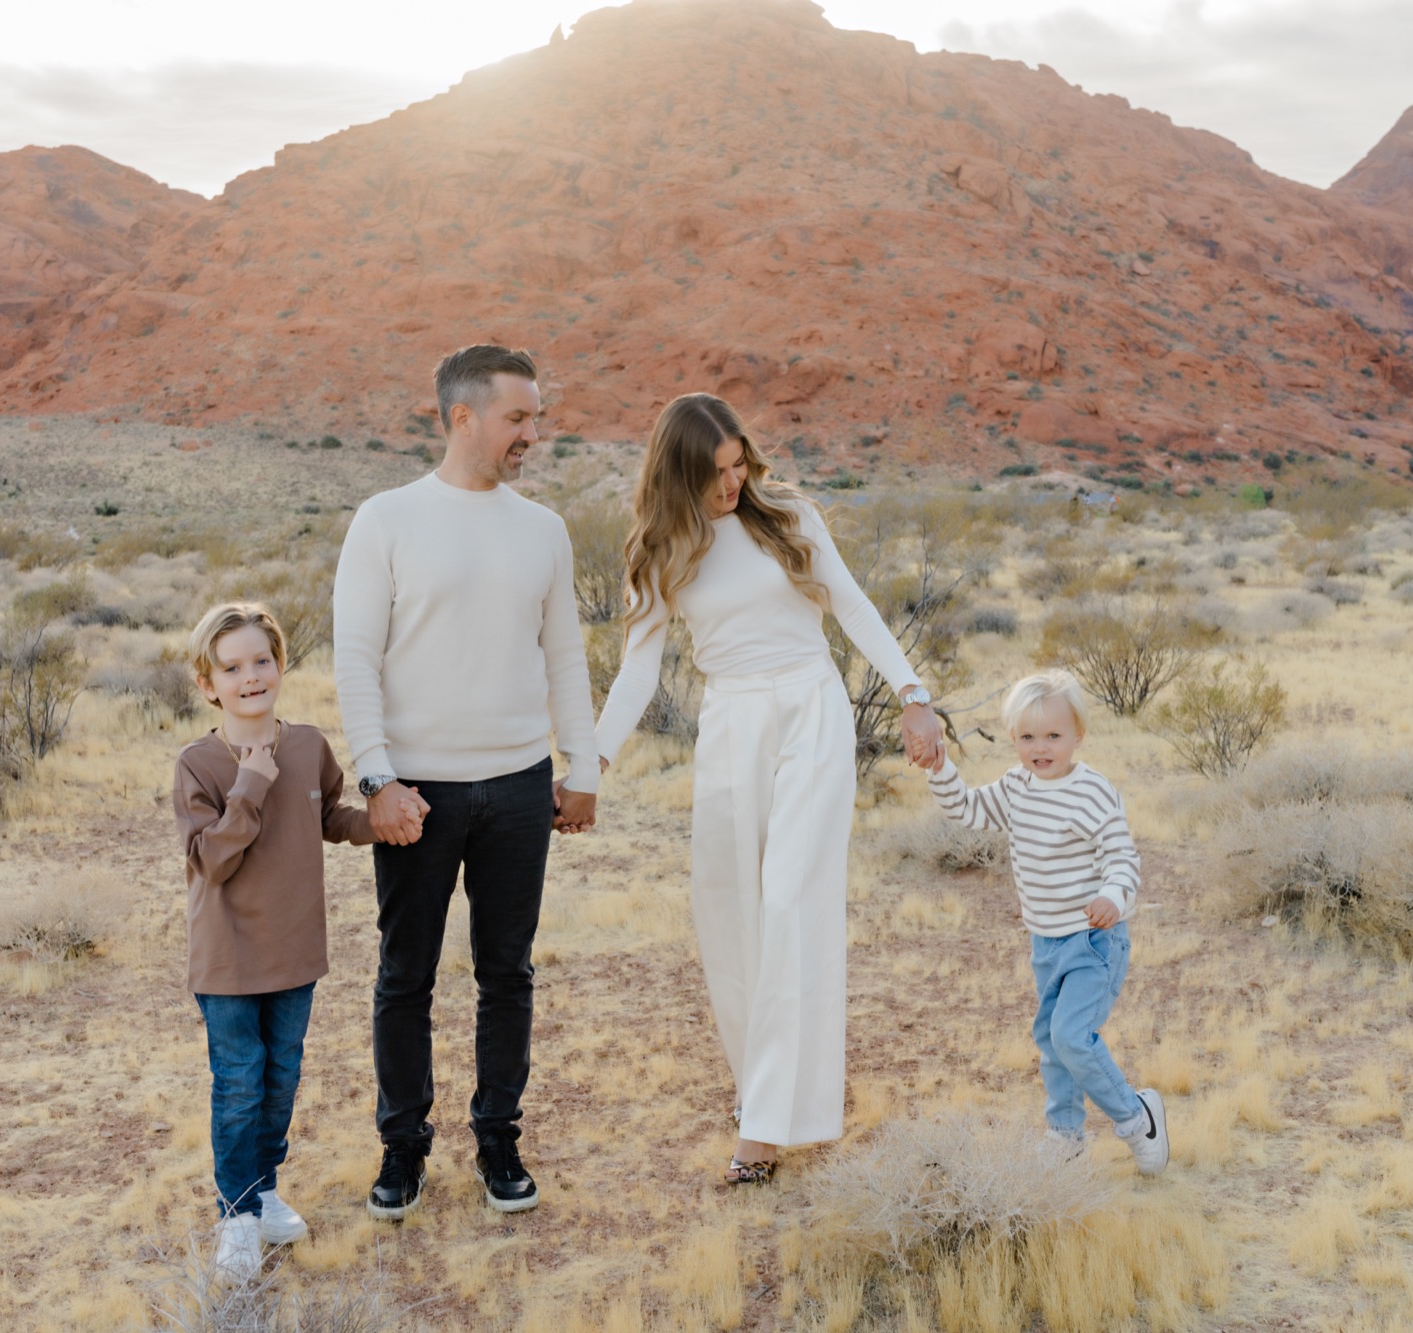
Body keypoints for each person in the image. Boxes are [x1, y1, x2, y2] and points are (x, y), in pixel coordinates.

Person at [593, 392, 944, 1184]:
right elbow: (638, 669)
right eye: (715, 472)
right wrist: (593, 761)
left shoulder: (787, 515)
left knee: (790, 902)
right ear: (678, 474)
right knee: (729, 912)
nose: (732, 483)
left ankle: (766, 1127)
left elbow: (851, 604)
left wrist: (913, 694)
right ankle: (763, 1084)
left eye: (739, 463)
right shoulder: (660, 550)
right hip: (731, 723)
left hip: (810, 708)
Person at [333, 344, 600, 1220]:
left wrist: (581, 767)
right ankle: (403, 1147)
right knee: (405, 975)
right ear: (462, 417)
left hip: (520, 784)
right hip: (417, 792)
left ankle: (498, 1139)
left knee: (507, 973)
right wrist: (377, 779)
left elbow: (565, 655)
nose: (533, 433)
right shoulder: (386, 520)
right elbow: (356, 658)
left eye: (536, 416)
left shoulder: (544, 529)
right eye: (518, 417)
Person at [173, 602, 404, 1277]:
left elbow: (329, 815)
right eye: (232, 667)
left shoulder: (308, 746)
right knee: (239, 1084)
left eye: (261, 660)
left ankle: (264, 1188)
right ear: (207, 684)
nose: (250, 676)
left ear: (279, 664)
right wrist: (249, 783)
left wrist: (380, 823)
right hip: (228, 959)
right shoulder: (199, 764)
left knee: (280, 1080)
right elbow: (212, 860)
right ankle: (237, 1216)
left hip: (295, 952)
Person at [915, 669, 1169, 1174]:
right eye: (1028, 736)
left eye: (1054, 735)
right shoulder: (1017, 787)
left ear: (1078, 735)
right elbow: (968, 810)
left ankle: (1136, 1118)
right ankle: (1065, 1136)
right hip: (1046, 942)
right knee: (1052, 1041)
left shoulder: (1092, 791)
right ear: (1013, 737)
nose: (1041, 747)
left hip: (1095, 941)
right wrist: (940, 769)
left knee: (1072, 1036)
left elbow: (1122, 855)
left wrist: (1112, 895)